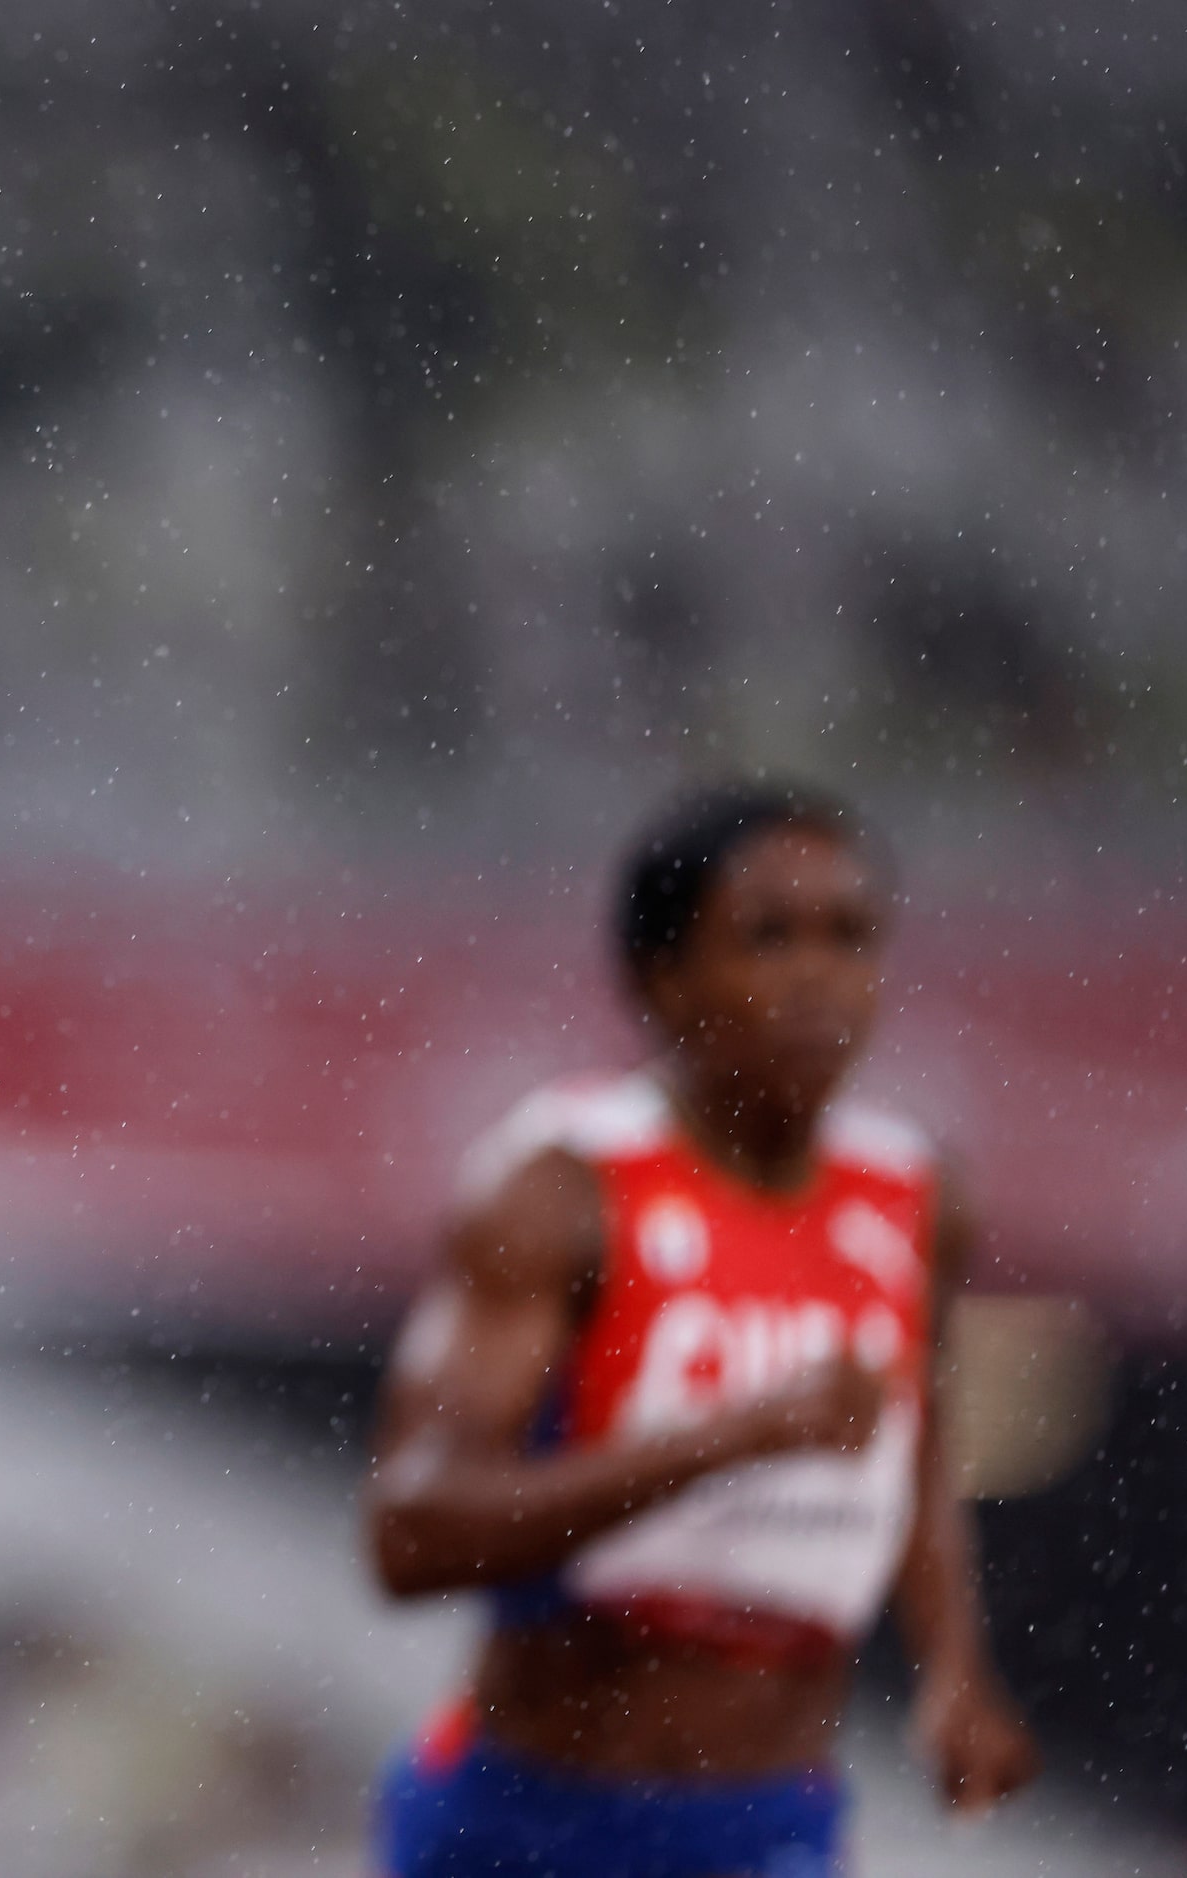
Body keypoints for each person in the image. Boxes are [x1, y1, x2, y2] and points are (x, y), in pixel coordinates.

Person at [363, 782, 1040, 1877]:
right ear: (660, 980)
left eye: (851, 938)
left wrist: (954, 1673)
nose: (819, 977)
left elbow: (916, 1443)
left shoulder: (915, 1197)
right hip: (532, 1821)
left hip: (763, 1825)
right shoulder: (560, 1193)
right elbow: (411, 1532)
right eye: (769, 938)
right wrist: (725, 1438)